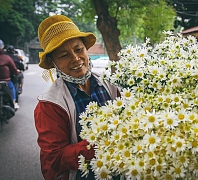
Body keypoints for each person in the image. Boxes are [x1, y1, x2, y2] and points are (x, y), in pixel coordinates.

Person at [34, 15, 120, 180]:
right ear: (53, 63)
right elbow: (55, 159)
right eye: (64, 55)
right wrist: (101, 145)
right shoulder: (49, 106)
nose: (75, 58)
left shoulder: (111, 85)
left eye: (78, 49)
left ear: (86, 50)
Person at [0, 39, 20, 109]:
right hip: (6, 81)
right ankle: (14, 102)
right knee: (12, 87)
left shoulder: (11, 57)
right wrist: (17, 72)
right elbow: (14, 69)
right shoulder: (7, 58)